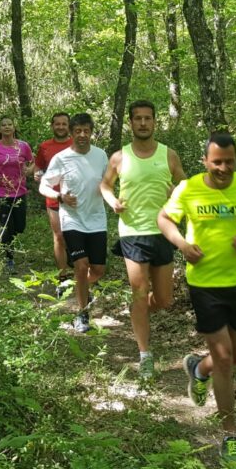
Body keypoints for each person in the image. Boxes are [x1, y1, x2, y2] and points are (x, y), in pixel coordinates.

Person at [158, 131, 236, 463]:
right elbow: (164, 218)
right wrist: (181, 244)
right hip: (205, 284)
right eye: (217, 162)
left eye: (229, 161)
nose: (223, 168)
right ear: (205, 162)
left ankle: (198, 368)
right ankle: (230, 433)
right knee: (225, 359)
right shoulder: (189, 187)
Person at [100, 100, 186, 380]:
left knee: (163, 300)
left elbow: (185, 186)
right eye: (137, 119)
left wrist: (177, 192)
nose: (143, 123)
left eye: (147, 118)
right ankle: (144, 355)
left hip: (163, 231)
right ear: (131, 123)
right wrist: (112, 200)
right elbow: (105, 184)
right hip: (132, 231)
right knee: (139, 291)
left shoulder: (168, 155)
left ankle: (138, 311)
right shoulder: (119, 157)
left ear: (154, 122)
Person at [38, 113, 109, 333]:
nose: (82, 135)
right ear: (71, 133)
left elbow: (109, 182)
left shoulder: (101, 155)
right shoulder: (62, 158)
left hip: (97, 219)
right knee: (80, 266)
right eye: (77, 131)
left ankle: (81, 287)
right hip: (72, 219)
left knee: (98, 270)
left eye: (86, 131)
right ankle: (82, 313)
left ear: (91, 132)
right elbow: (44, 185)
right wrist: (60, 197)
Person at [0, 116, 34, 273]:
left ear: (14, 127)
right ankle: (8, 258)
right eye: (3, 125)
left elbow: (34, 162)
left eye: (9, 124)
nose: (7, 127)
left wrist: (29, 170)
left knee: (20, 226)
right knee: (6, 227)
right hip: (0, 193)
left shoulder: (23, 146)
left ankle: (9, 243)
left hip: (19, 192)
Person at [34, 112, 73, 287]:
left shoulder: (76, 144)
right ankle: (62, 276)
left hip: (74, 199)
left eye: (64, 124)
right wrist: (37, 174)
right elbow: (38, 166)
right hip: (53, 197)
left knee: (74, 236)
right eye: (57, 124)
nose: (61, 127)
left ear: (69, 126)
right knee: (58, 236)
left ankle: (76, 264)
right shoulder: (45, 146)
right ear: (52, 126)